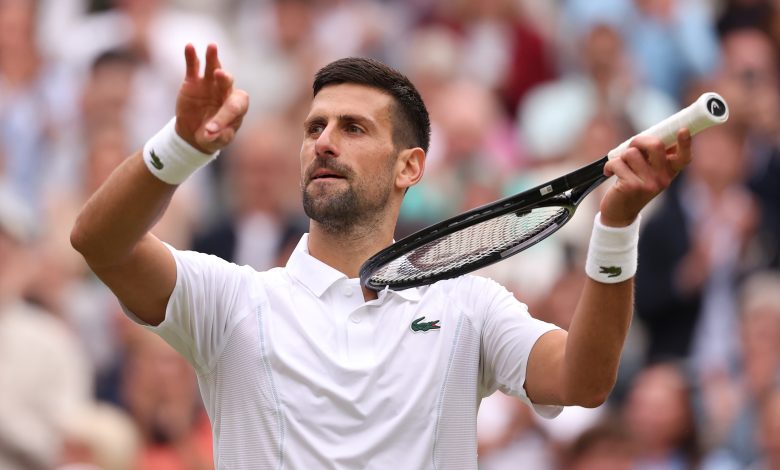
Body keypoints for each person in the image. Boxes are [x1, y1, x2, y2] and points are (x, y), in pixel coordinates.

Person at [70, 43, 693, 468]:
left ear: (410, 167)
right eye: (315, 127)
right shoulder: (234, 299)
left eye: (353, 128)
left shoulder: (467, 304)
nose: (325, 143)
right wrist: (178, 147)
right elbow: (99, 242)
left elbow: (583, 381)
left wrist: (616, 226)